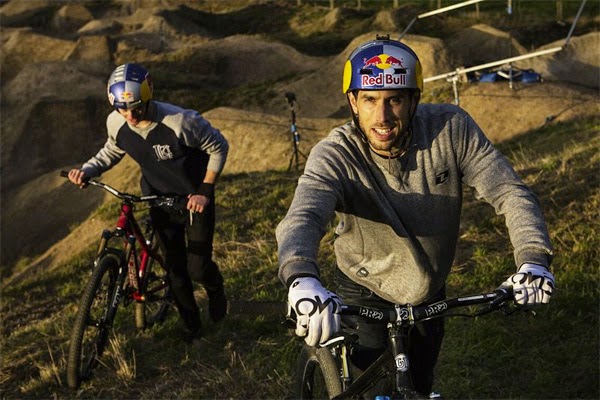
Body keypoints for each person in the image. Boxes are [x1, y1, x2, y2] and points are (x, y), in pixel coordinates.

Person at [276, 36, 555, 396]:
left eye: (394, 100)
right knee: (368, 391)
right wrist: (300, 276)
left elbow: (509, 191)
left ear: (413, 100)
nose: (382, 117)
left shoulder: (451, 129)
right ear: (353, 102)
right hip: (364, 288)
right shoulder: (335, 154)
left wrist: (533, 259)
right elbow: (304, 215)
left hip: (428, 290)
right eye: (370, 100)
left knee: (419, 386)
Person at [67, 63, 229, 343]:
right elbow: (112, 149)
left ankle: (216, 290)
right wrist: (88, 170)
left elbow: (219, 146)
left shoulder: (180, 122)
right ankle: (192, 327)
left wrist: (204, 190)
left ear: (148, 97)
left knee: (197, 268)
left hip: (195, 200)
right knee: (175, 269)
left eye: (136, 108)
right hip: (158, 200)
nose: (130, 116)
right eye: (122, 109)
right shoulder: (116, 122)